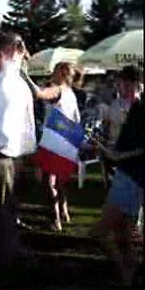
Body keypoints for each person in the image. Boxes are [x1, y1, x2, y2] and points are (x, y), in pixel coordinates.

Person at [0, 31, 36, 277]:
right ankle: (6, 260)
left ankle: (1, 266)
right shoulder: (16, 83)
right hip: (12, 158)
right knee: (4, 214)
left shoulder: (4, 85)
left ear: (3, 53)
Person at [92, 94, 143, 286]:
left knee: (101, 232)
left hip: (132, 177)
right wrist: (110, 150)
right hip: (128, 173)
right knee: (123, 234)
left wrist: (118, 155)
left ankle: (126, 274)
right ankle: (130, 273)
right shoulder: (136, 105)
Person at [33, 62, 81, 232]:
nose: (51, 73)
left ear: (61, 73)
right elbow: (77, 119)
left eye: (54, 70)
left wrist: (23, 77)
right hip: (68, 139)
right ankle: (64, 212)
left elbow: (39, 94)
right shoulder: (71, 93)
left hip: (54, 139)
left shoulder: (58, 90)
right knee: (60, 181)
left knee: (48, 181)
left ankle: (55, 219)